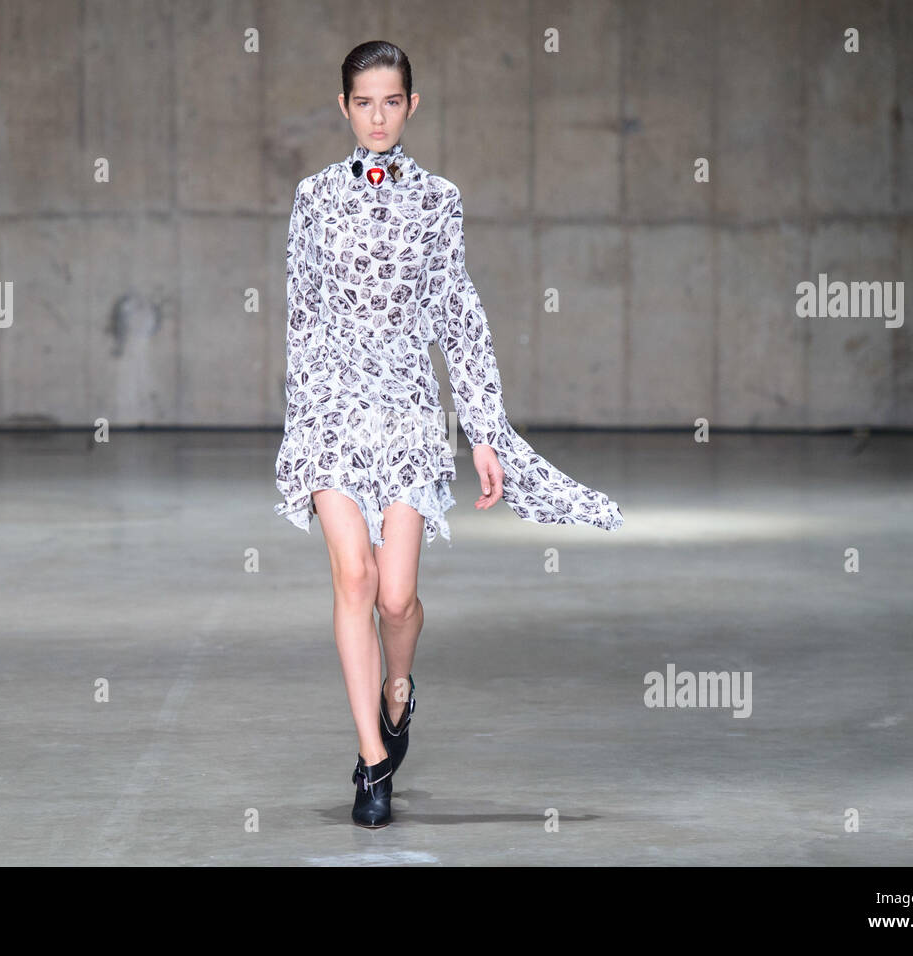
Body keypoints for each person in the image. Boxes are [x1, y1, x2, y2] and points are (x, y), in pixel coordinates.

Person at [273, 41, 624, 827]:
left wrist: (485, 431)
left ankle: (399, 694)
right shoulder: (313, 197)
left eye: (390, 101)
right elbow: (300, 317)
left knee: (396, 600)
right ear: (342, 108)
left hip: (406, 410)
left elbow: (458, 317)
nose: (376, 116)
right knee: (354, 582)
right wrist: (300, 426)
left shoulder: (439, 199)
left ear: (411, 106)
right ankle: (371, 764)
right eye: (362, 102)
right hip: (332, 411)